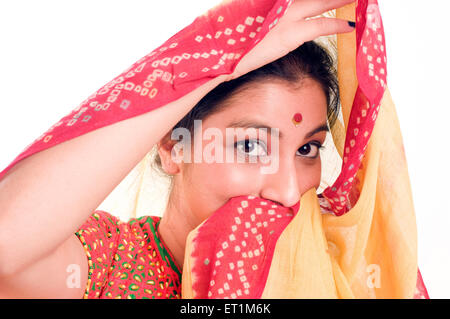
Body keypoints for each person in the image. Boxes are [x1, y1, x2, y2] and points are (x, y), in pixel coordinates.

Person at [0, 0, 428, 299]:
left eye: (307, 149)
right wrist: (210, 65)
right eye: (250, 146)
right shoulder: (109, 264)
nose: (287, 191)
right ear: (174, 145)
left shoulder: (336, 273)